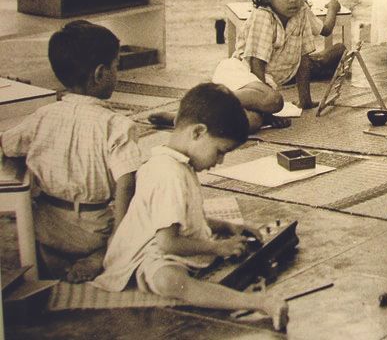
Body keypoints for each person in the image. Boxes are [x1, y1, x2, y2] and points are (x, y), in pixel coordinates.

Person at [94, 83, 289, 331]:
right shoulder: (167, 174)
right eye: (220, 152)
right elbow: (168, 243)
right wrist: (217, 247)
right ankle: (256, 302)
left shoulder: (178, 163)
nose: (219, 161)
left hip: (166, 244)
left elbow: (189, 217)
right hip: (146, 255)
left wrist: (230, 226)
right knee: (169, 281)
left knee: (203, 252)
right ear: (198, 133)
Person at [0, 21, 141, 282]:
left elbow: (6, 145)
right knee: (154, 222)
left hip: (42, 228)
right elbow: (127, 185)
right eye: (116, 66)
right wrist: (118, 239)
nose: (117, 73)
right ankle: (101, 256)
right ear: (100, 74)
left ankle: (51, 263)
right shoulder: (118, 125)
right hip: (92, 231)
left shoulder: (42, 115)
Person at [150, 0, 344, 133]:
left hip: (259, 88)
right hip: (241, 75)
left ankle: (184, 120)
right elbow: (256, 64)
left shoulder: (301, 13)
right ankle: (199, 105)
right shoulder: (263, 16)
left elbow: (303, 62)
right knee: (275, 101)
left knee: (252, 122)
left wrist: (305, 101)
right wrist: (270, 110)